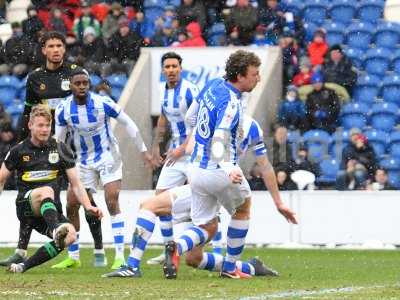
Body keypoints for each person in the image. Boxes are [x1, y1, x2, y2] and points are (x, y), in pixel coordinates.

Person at [167, 50, 296, 279]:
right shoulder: (232, 104)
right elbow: (219, 139)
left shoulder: (212, 84)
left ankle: (177, 246)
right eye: (254, 74)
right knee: (243, 208)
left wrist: (200, 141)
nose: (258, 79)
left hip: (195, 169)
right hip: (219, 171)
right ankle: (230, 268)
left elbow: (190, 118)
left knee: (207, 227)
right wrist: (228, 167)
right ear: (240, 76)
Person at [102, 115, 283, 278]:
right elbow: (265, 166)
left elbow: (190, 147)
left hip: (204, 181)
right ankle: (250, 267)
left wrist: (184, 150)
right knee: (194, 258)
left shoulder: (209, 116)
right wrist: (279, 202)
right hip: (219, 183)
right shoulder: (252, 125)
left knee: (150, 206)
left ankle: (134, 265)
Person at [0, 31, 104, 268]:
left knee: (83, 196)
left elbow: (90, 104)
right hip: (42, 144)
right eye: (51, 46)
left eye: (60, 45)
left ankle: (99, 252)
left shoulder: (76, 73)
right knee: (39, 186)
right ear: (44, 50)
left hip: (74, 145)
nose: (56, 49)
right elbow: (28, 111)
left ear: (64, 49)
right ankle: (23, 249)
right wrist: (23, 142)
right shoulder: (35, 78)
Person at [53, 69, 154, 270]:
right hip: (82, 161)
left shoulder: (103, 103)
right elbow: (59, 140)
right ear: (71, 86)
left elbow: (129, 123)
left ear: (89, 84)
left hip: (108, 156)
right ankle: (74, 256)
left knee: (111, 199)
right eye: (78, 83)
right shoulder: (63, 109)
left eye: (85, 83)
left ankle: (118, 255)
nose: (82, 86)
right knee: (72, 204)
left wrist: (143, 150)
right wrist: (61, 163)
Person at [4, 104, 102, 273]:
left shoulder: (60, 148)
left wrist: (88, 206)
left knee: (70, 235)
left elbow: (76, 184)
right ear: (30, 126)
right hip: (26, 207)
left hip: (50, 212)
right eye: (40, 125)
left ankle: (22, 267)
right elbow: (1, 178)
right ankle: (57, 229)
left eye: (47, 125)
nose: (44, 129)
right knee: (46, 191)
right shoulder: (18, 150)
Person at [147, 52, 199, 265]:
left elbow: (199, 122)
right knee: (160, 198)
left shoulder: (190, 90)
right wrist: (157, 144)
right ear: (162, 70)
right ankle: (169, 248)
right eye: (167, 67)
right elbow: (163, 118)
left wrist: (184, 148)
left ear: (181, 68)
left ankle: (208, 245)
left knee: (202, 199)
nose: (170, 70)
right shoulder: (164, 91)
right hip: (175, 153)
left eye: (174, 66)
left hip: (194, 152)